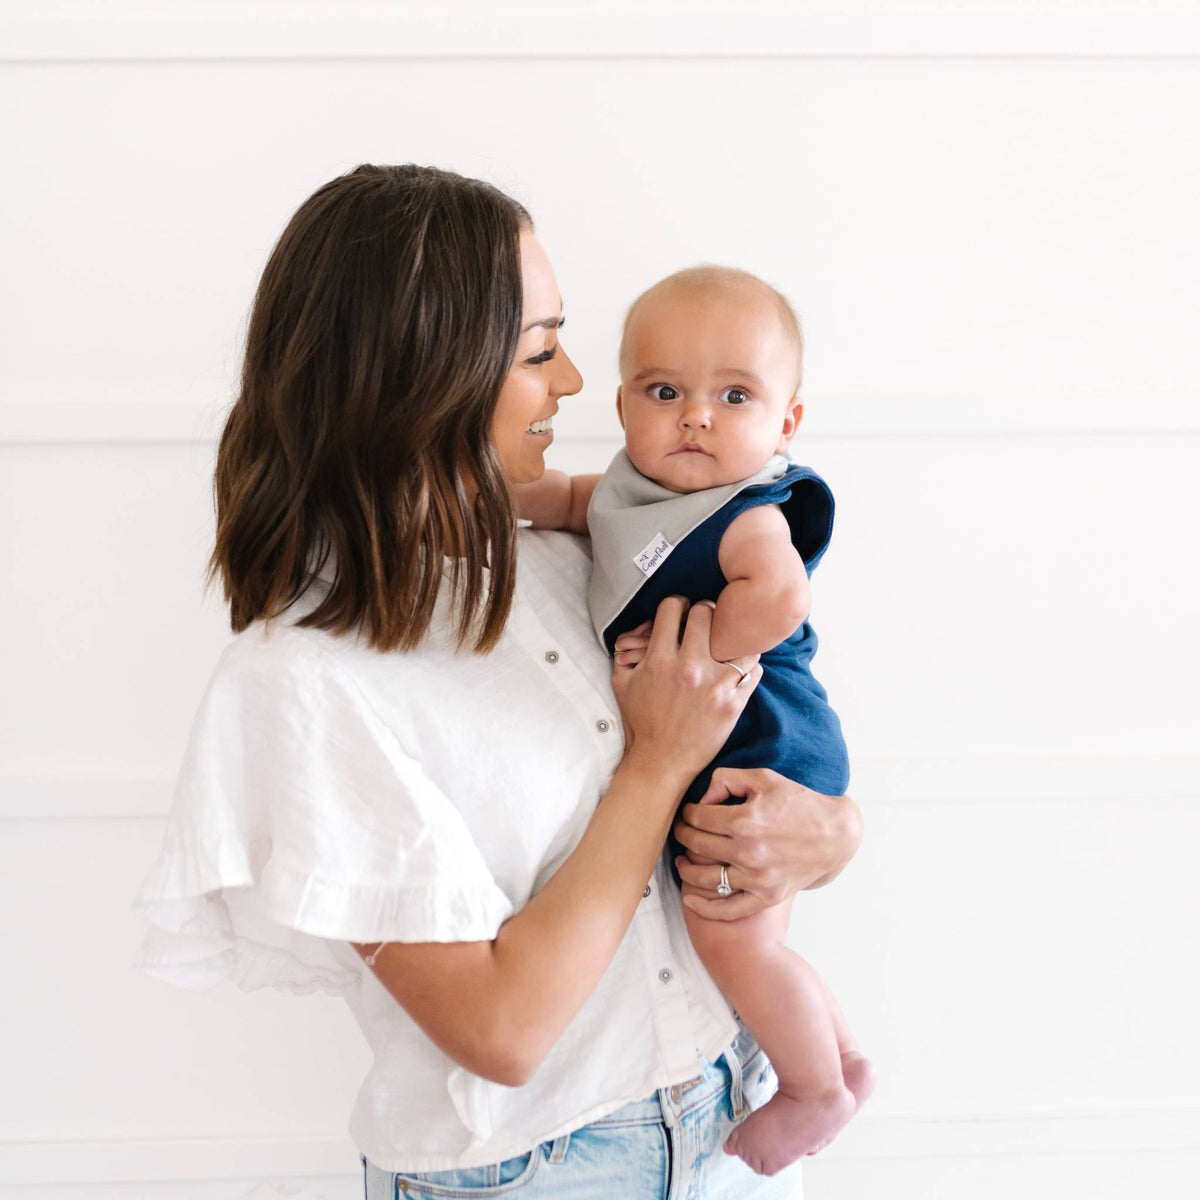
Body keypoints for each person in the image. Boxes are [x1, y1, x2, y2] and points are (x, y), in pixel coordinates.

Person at [134, 164, 864, 1198]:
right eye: (539, 351)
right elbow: (503, 1031)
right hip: (545, 1172)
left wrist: (829, 833)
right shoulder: (301, 684)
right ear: (425, 375)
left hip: (728, 1120)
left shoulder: (574, 558)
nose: (571, 385)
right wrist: (656, 765)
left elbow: (758, 745)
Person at [517, 266, 876, 1174]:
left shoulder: (745, 513)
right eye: (665, 391)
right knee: (753, 929)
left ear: (785, 423)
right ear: (625, 400)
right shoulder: (636, 489)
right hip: (735, 731)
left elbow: (782, 597)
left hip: (765, 728)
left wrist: (702, 649)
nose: (696, 417)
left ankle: (810, 1089)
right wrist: (505, 496)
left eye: (735, 395)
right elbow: (568, 503)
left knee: (731, 934)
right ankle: (841, 1053)